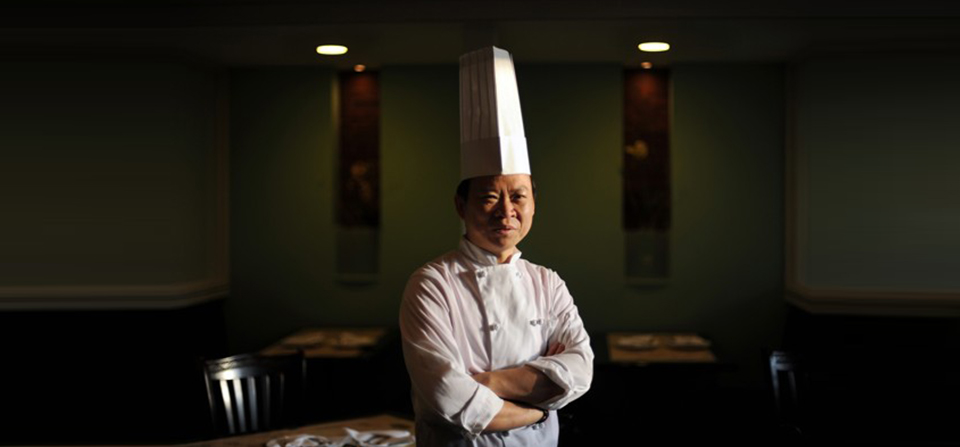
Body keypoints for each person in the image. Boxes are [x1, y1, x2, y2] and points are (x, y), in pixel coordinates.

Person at [398, 46, 594, 447]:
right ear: (461, 205)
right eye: (489, 197)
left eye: (518, 196)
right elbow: (448, 397)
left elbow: (581, 371)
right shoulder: (431, 285)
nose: (506, 211)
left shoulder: (548, 283)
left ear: (534, 203)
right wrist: (540, 408)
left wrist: (486, 382)